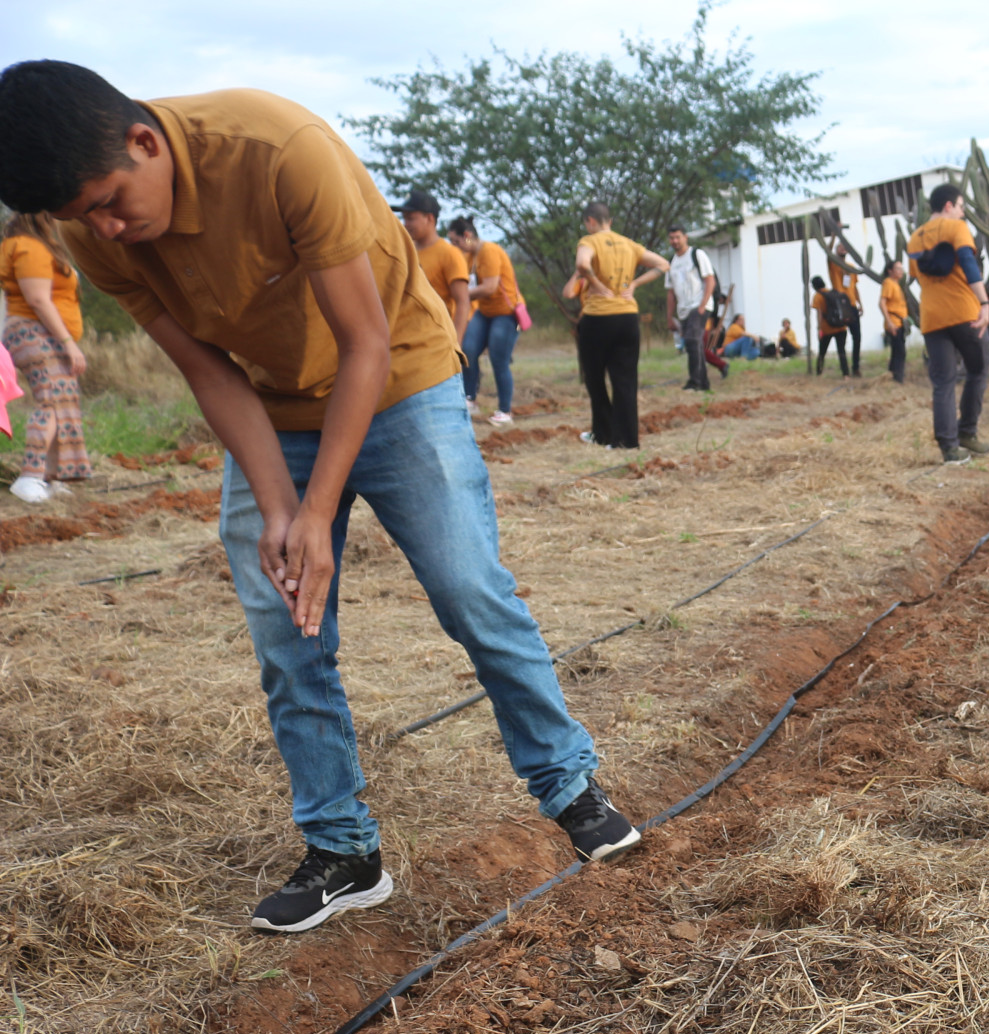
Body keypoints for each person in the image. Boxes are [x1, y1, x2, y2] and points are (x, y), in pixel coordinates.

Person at [0, 61, 644, 928]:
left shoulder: (279, 152)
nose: (109, 228)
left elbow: (364, 341)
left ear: (144, 141)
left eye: (111, 200)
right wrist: (280, 511)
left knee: (469, 592)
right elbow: (206, 368)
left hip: (400, 383)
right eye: (86, 218)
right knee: (285, 622)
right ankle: (343, 848)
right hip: (272, 409)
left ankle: (567, 786)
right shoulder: (95, 233)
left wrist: (319, 514)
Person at [0, 210, 93, 501]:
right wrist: (68, 342)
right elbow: (38, 299)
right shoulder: (30, 247)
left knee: (61, 401)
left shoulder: (30, 245)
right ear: (41, 216)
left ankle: (51, 477)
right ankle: (30, 476)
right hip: (35, 333)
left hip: (39, 333)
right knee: (51, 401)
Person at [573, 201, 667, 449]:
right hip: (627, 317)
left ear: (590, 222)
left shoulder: (589, 241)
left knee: (594, 378)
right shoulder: (629, 244)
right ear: (610, 221)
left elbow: (582, 264)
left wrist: (594, 282)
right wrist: (634, 285)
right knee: (625, 380)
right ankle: (626, 440)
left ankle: (602, 433)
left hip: (598, 318)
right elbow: (662, 264)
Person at [909, 183, 989, 464]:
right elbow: (969, 264)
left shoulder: (914, 238)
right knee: (978, 369)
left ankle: (949, 449)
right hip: (964, 312)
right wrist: (984, 303)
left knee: (942, 382)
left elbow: (918, 277)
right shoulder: (956, 229)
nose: (962, 212)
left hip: (932, 317)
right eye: (960, 207)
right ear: (948, 206)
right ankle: (967, 431)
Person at [397, 193, 471, 415]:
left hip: (436, 344)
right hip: (406, 342)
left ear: (430, 219)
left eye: (411, 218)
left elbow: (463, 301)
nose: (405, 224)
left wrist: (455, 345)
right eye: (404, 218)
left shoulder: (449, 254)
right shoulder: (405, 252)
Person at [445, 216, 521, 426]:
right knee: (467, 350)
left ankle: (505, 411)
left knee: (499, 359)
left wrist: (461, 295)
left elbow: (489, 287)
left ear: (467, 236)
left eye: (456, 241)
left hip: (505, 313)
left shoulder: (489, 251)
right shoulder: (468, 256)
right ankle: (470, 398)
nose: (454, 246)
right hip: (485, 313)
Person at [665, 225, 716, 391]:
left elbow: (710, 280)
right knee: (692, 343)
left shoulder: (697, 254)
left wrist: (702, 305)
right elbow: (671, 292)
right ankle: (703, 382)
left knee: (693, 340)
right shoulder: (671, 263)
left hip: (699, 304)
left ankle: (695, 382)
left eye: (678, 237)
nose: (675, 241)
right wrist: (669, 317)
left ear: (685, 237)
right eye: (672, 238)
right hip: (683, 309)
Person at [826, 259, 863, 377]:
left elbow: (854, 286)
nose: (842, 248)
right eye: (839, 246)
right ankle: (845, 370)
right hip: (840, 305)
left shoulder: (851, 267)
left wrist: (860, 303)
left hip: (852, 305)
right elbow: (828, 255)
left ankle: (855, 367)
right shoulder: (833, 263)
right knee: (841, 338)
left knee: (857, 337)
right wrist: (832, 239)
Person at [812, 275, 856, 375]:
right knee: (842, 352)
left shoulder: (817, 296)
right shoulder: (834, 292)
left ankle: (819, 373)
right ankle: (846, 375)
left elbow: (819, 314)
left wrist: (819, 329)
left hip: (827, 328)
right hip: (841, 327)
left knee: (822, 352)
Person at [879, 259, 910, 383]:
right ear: (890, 271)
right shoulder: (888, 283)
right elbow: (882, 303)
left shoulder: (896, 284)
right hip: (894, 322)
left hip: (900, 321)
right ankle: (897, 378)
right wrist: (889, 322)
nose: (900, 271)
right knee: (900, 352)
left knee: (897, 351)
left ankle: (892, 376)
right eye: (897, 268)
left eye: (901, 268)